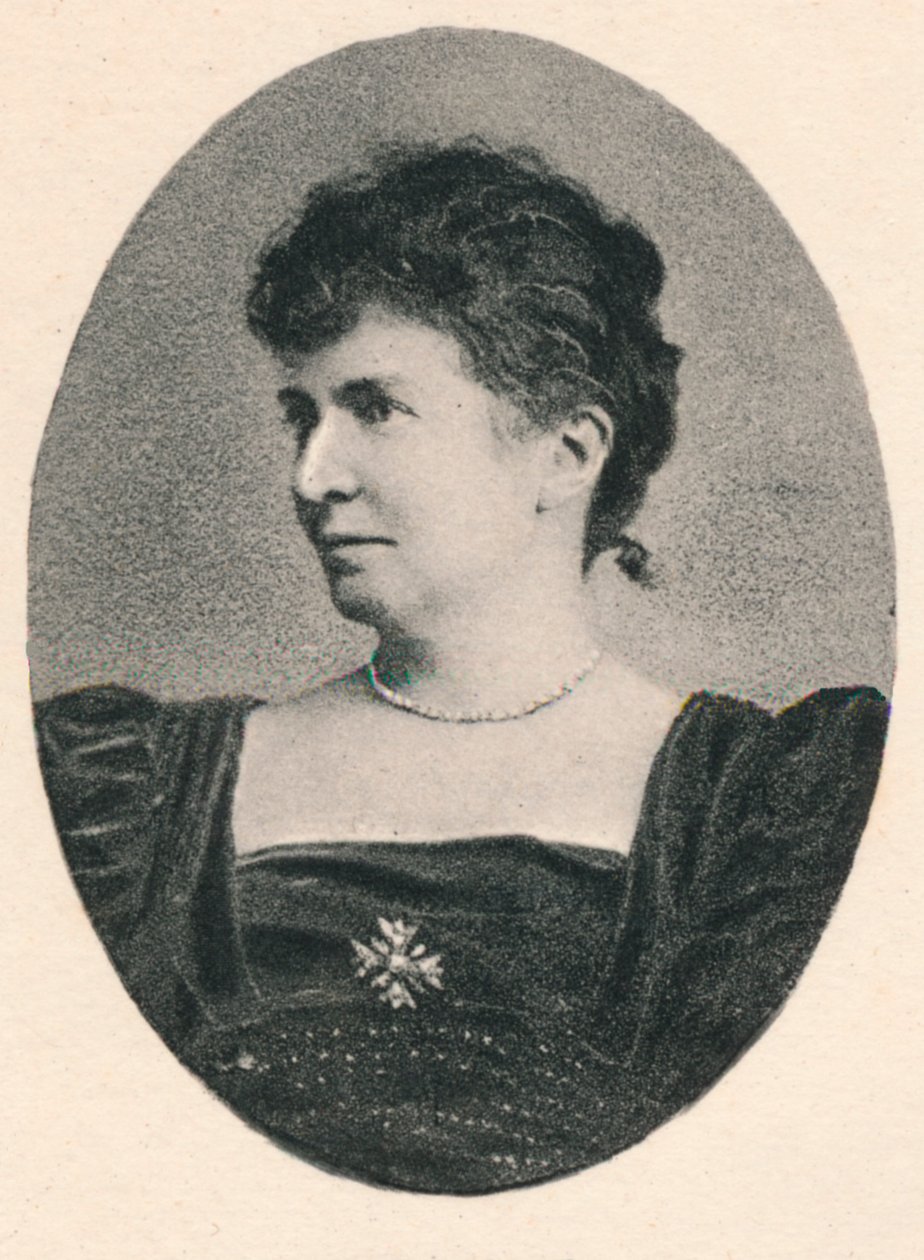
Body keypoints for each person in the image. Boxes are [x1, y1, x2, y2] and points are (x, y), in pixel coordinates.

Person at [35, 142, 888, 1194]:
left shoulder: (766, 813)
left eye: (375, 408)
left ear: (567, 453)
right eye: (303, 417)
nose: (313, 475)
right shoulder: (139, 795)